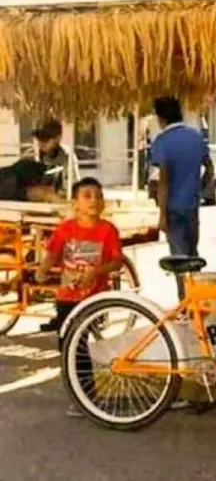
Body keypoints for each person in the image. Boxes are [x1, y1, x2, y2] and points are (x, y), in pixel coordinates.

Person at [34, 177, 123, 416]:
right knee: (69, 347)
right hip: (67, 296)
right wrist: (41, 272)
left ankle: (86, 397)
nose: (94, 200)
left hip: (94, 298)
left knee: (80, 345)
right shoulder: (66, 229)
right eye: (87, 195)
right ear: (75, 202)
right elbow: (52, 254)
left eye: (98, 195)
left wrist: (97, 271)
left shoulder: (108, 230)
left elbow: (116, 262)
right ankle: (81, 396)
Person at [150, 96, 214, 299]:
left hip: (172, 207)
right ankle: (198, 299)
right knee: (193, 255)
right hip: (192, 204)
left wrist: (161, 214)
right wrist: (199, 188)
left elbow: (164, 180)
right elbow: (210, 169)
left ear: (160, 117)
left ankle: (185, 301)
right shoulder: (195, 136)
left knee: (179, 258)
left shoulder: (162, 141)